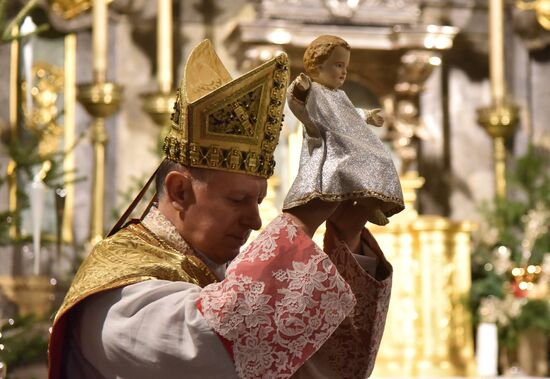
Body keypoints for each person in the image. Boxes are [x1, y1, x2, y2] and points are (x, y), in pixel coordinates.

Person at [47, 40, 393, 379]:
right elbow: (216, 346)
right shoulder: (118, 292)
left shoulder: (219, 275)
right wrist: (301, 220)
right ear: (179, 190)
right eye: (237, 200)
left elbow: (327, 367)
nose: (256, 221)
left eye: (258, 202)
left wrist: (346, 237)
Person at [284, 35, 404, 226]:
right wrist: (300, 90)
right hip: (328, 141)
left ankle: (372, 199)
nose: (344, 72)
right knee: (350, 155)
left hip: (344, 139)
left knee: (381, 155)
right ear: (319, 66)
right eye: (338, 65)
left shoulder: (340, 95)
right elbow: (296, 104)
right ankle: (366, 201)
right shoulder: (313, 90)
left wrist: (367, 116)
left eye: (345, 67)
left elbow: (348, 114)